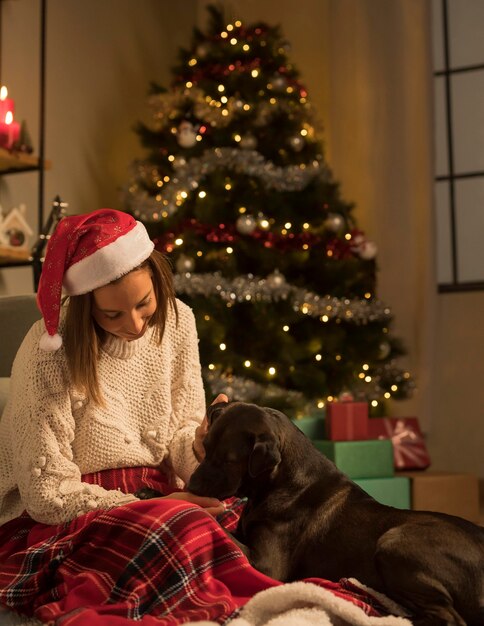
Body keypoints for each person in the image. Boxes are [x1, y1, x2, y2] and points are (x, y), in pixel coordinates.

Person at [0, 208, 276, 626]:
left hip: (161, 490)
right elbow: (47, 494)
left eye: (144, 305)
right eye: (112, 315)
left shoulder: (178, 319)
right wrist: (160, 503)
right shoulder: (48, 352)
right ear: (84, 303)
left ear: (157, 281)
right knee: (179, 527)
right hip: (71, 511)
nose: (135, 325)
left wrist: (202, 445)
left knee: (258, 517)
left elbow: (179, 433)